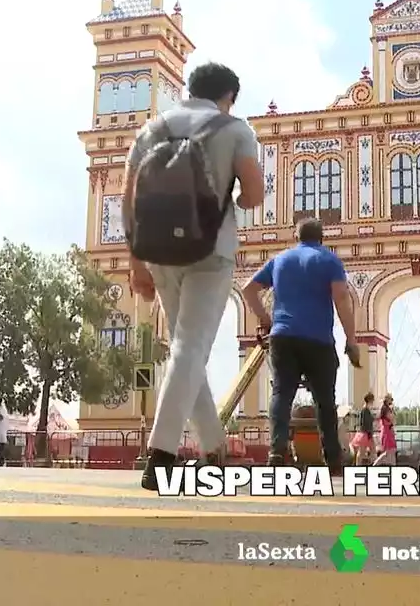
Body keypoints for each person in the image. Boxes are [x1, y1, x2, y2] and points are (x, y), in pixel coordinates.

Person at [123, 62, 265, 491]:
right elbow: (254, 195)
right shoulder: (235, 128)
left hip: (159, 255)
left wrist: (135, 263)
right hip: (210, 251)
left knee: (188, 350)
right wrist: (234, 189)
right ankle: (161, 455)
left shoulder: (151, 129)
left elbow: (128, 197)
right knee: (190, 346)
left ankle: (213, 447)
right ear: (229, 97)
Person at [241, 218, 359, 469]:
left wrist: (266, 319)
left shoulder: (280, 260)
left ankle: (276, 452)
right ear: (322, 238)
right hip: (318, 340)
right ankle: (333, 458)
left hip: (283, 337)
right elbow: (341, 300)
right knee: (325, 400)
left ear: (296, 236)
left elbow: (248, 289)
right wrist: (351, 340)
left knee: (282, 394)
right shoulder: (329, 260)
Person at [350, 393, 376, 465]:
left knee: (371, 452)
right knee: (362, 452)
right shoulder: (365, 410)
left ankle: (370, 465)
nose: (373, 402)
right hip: (365, 434)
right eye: (372, 400)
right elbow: (365, 422)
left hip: (367, 434)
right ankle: (359, 466)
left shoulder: (366, 409)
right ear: (370, 400)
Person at [372, 394, 398, 465]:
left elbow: (392, 420)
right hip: (387, 432)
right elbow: (392, 419)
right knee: (389, 452)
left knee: (391, 452)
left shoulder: (386, 409)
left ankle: (393, 468)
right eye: (390, 399)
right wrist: (392, 412)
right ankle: (376, 464)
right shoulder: (385, 409)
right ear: (387, 400)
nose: (391, 401)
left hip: (388, 431)